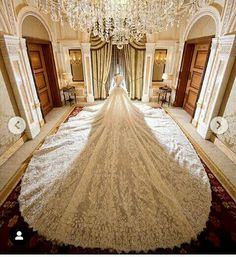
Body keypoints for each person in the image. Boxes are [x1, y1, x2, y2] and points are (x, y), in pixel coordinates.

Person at [19, 74, 211, 252]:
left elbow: (110, 105)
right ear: (121, 81)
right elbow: (124, 103)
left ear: (115, 81)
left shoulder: (114, 90)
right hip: (119, 115)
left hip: (113, 116)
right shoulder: (122, 90)